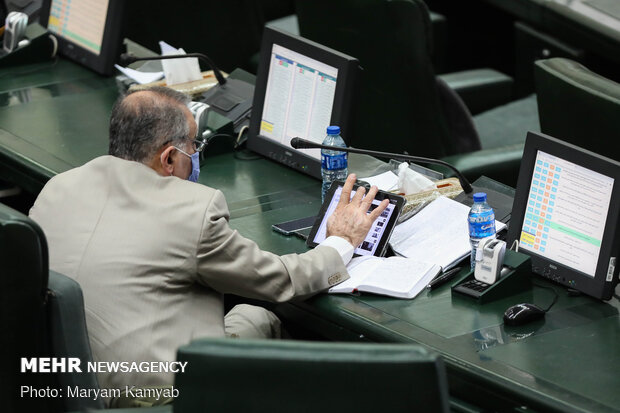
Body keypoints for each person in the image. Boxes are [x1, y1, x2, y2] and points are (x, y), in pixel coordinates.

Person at [29, 86, 388, 399]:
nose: (197, 153)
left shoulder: (58, 187)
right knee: (258, 318)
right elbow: (280, 280)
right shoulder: (191, 209)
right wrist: (341, 241)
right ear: (169, 158)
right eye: (193, 145)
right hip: (147, 392)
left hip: (56, 382)